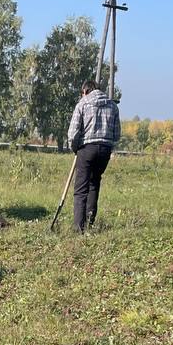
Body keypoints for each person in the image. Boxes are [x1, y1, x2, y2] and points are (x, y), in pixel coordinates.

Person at [66, 81, 121, 233]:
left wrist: (75, 147)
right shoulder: (112, 106)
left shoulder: (82, 104)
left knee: (81, 188)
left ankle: (78, 228)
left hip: (86, 148)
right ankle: (90, 222)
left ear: (85, 90)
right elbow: (117, 135)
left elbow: (73, 132)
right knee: (94, 183)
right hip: (105, 150)